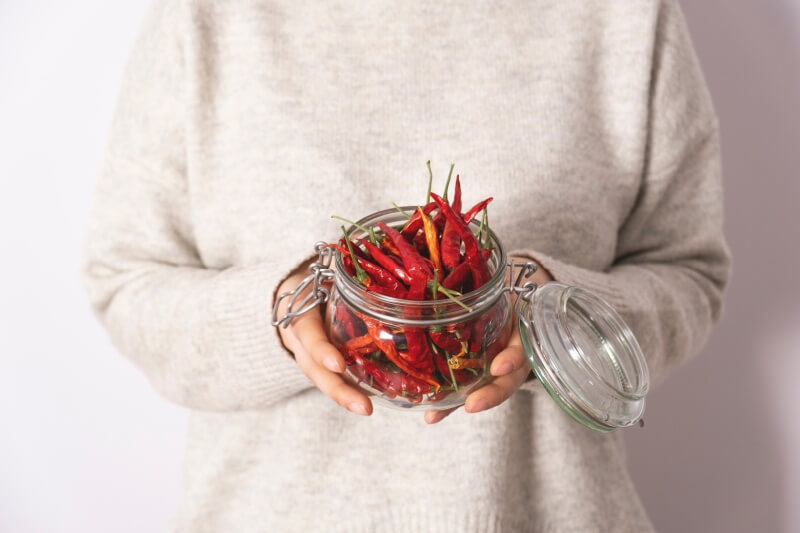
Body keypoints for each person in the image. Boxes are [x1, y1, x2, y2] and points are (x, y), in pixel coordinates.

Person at [81, 0, 731, 531]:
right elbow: (124, 279)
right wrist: (278, 313)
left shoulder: (626, 15)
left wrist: (552, 314)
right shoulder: (206, 16)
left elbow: (689, 272)